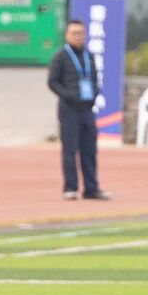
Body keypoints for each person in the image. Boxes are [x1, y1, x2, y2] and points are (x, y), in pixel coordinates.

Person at [48, 19, 111, 201]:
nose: (78, 37)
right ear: (67, 35)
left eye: (81, 33)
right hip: (69, 109)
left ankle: (91, 188)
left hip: (87, 108)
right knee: (70, 149)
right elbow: (52, 82)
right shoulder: (60, 56)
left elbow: (94, 79)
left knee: (90, 149)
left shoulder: (88, 55)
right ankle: (70, 187)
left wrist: (94, 94)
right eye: (74, 33)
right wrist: (68, 95)